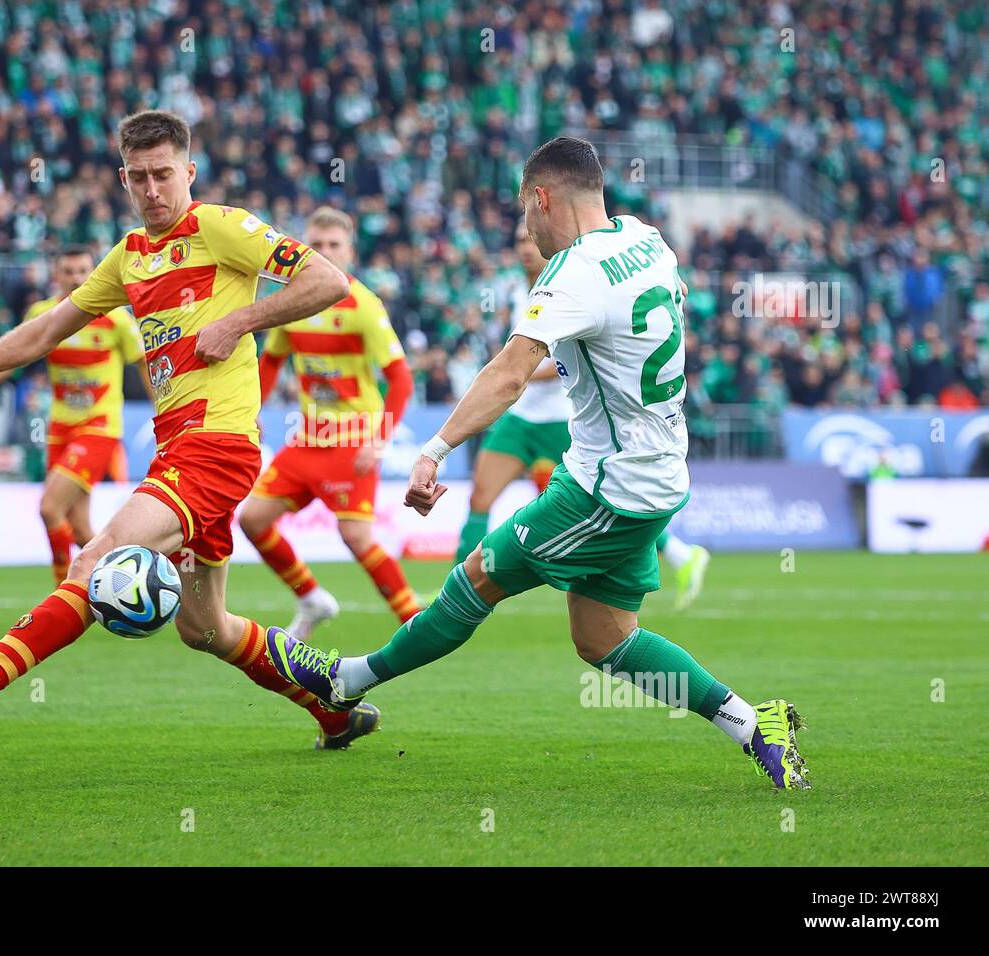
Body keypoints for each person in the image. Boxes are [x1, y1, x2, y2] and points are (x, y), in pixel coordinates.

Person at [266, 137, 810, 790]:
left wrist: (434, 450)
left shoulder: (573, 271)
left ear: (542, 198)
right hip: (657, 477)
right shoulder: (646, 239)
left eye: (526, 212)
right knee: (604, 640)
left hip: (607, 491)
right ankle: (756, 725)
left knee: (475, 578)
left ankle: (343, 680)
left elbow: (508, 374)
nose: (526, 228)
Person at [0, 110, 381, 751]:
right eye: (139, 178)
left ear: (190, 172)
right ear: (124, 178)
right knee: (207, 628)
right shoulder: (128, 258)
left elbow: (329, 280)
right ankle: (334, 709)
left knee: (93, 559)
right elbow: (46, 329)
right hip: (178, 447)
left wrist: (240, 323)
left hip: (217, 447)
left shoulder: (220, 226)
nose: (153, 190)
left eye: (164, 175)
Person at [239, 206, 419, 638]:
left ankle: (415, 621)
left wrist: (379, 441)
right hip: (307, 441)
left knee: (355, 536)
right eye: (315, 245)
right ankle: (312, 599)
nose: (324, 252)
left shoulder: (364, 305)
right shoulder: (291, 301)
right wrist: (254, 411)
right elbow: (271, 362)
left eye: (333, 245)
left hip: (352, 441)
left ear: (350, 251)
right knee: (252, 520)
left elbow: (401, 380)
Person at [0, 246, 151, 582]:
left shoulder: (117, 318)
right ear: (56, 274)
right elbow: (20, 351)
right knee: (80, 530)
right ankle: (132, 580)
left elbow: (144, 364)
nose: (77, 278)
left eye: (83, 271)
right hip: (59, 430)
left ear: (94, 273)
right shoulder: (43, 312)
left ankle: (63, 592)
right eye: (68, 271)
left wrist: (164, 410)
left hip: (99, 428)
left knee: (49, 507)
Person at [455, 223, 573, 563]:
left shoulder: (567, 293)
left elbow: (561, 364)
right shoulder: (518, 294)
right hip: (521, 418)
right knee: (480, 496)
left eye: (531, 240)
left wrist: (514, 376)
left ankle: (677, 552)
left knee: (595, 503)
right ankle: (454, 585)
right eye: (519, 240)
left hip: (561, 420)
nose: (525, 247)